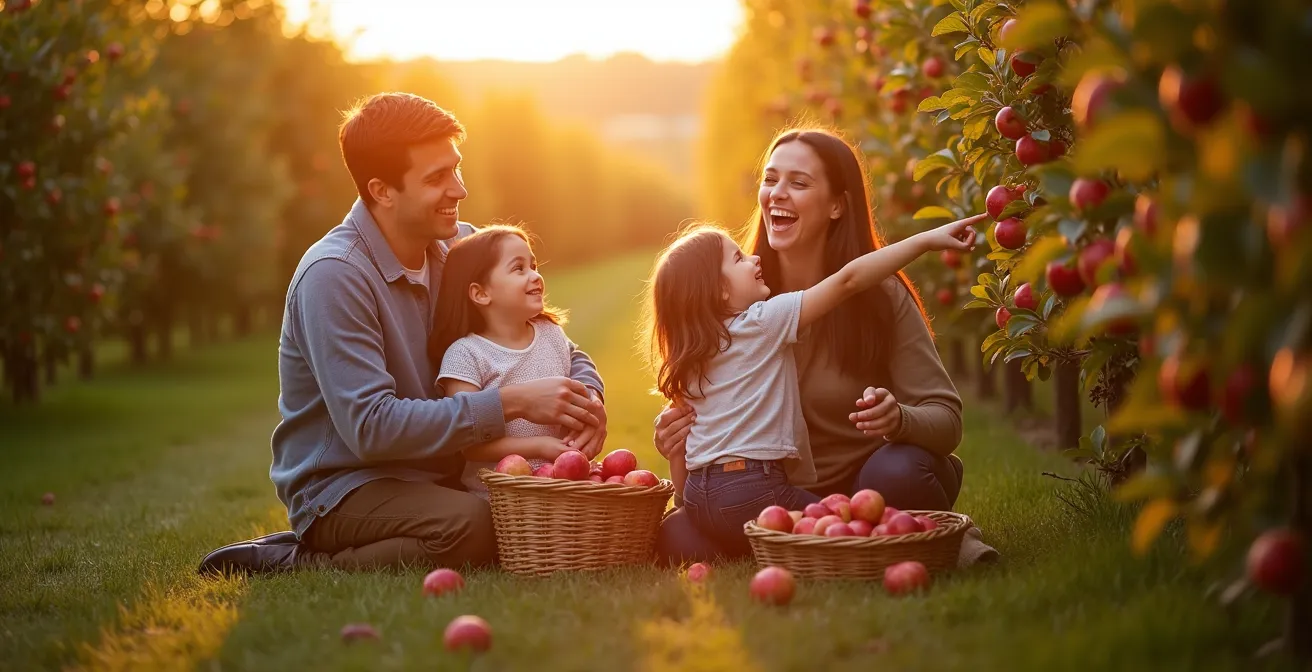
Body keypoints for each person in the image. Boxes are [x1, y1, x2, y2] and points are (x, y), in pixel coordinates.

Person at [198, 93, 606, 574]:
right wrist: (512, 403)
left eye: (456, 168)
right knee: (475, 526)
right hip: (347, 485)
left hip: (439, 473)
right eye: (436, 178)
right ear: (382, 191)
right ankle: (299, 560)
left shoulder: (462, 248)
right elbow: (372, 429)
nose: (459, 190)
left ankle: (420, 519)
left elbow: (550, 338)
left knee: (517, 517)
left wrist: (586, 398)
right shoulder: (334, 276)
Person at [654, 127, 995, 564]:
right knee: (680, 535)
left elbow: (947, 421)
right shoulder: (735, 308)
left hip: (871, 483)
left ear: (837, 205)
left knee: (900, 471)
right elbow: (709, 449)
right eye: (770, 179)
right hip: (769, 492)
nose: (777, 193)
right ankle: (848, 541)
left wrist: (899, 419)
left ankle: (930, 536)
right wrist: (676, 445)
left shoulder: (879, 294)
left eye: (798, 183)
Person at [431, 225, 599, 499]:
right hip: (501, 499)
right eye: (519, 268)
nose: (535, 276)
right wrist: (539, 447)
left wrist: (588, 413)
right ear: (481, 293)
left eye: (534, 266)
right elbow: (469, 445)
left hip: (563, 491)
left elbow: (579, 379)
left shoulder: (551, 334)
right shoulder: (465, 355)